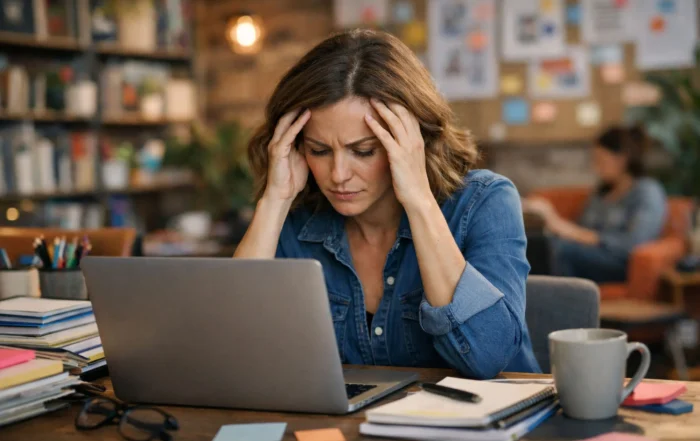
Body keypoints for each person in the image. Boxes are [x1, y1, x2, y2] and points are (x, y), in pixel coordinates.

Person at [233, 29, 541, 379]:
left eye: (363, 151)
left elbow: (487, 356)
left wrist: (419, 200)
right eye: (319, 150)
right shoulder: (295, 222)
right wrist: (274, 201)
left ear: (411, 141)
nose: (338, 174)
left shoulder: (485, 201)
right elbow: (233, 349)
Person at [523, 125, 667, 283]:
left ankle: (554, 302)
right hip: (584, 255)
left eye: (601, 161)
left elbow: (634, 243)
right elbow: (582, 228)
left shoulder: (647, 192)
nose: (596, 167)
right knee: (535, 241)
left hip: (619, 262)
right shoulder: (601, 193)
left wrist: (560, 224)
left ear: (621, 160)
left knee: (558, 250)